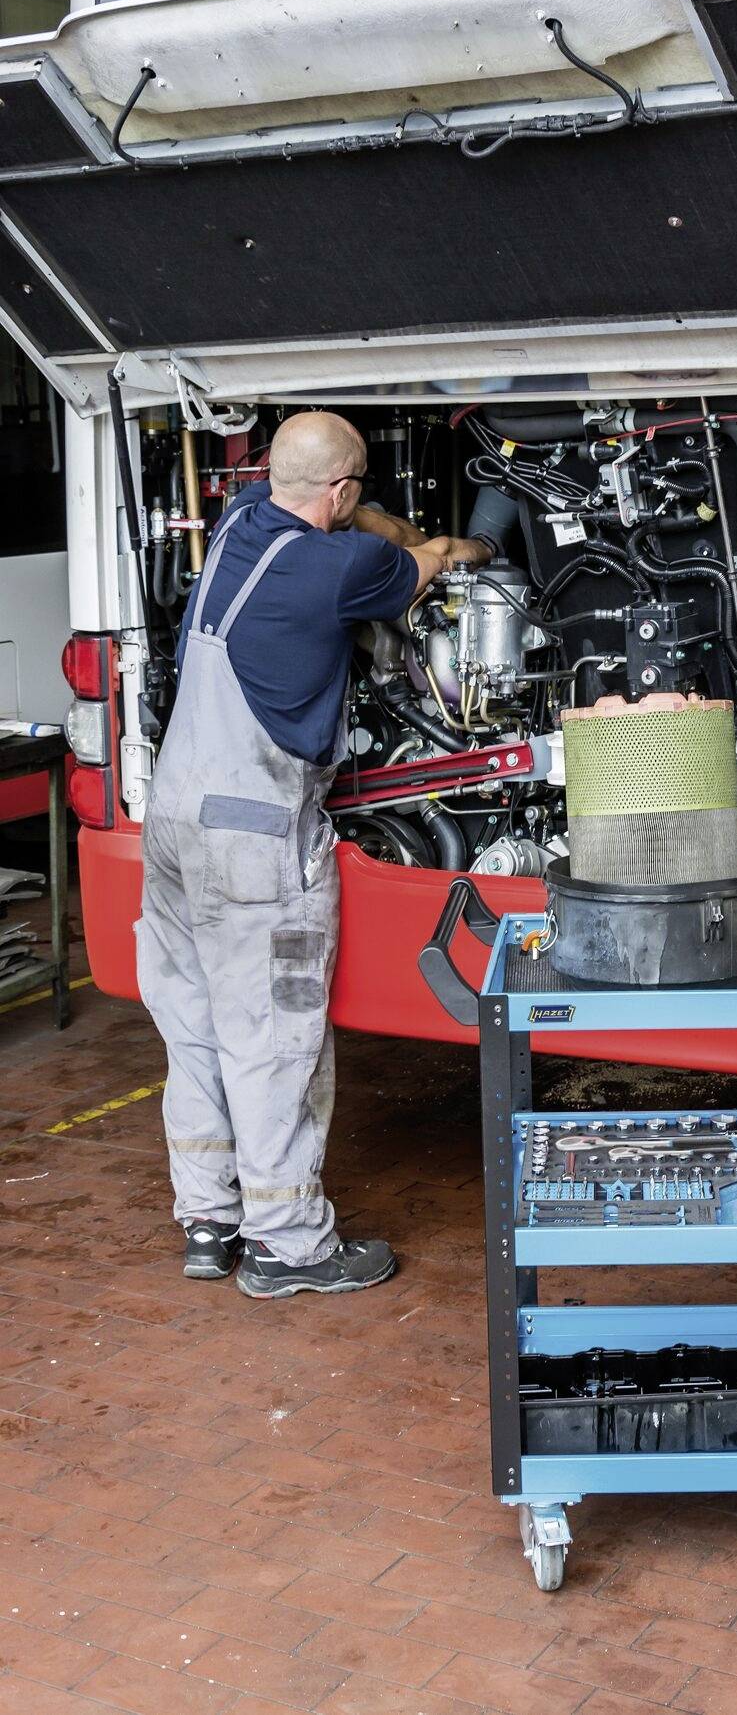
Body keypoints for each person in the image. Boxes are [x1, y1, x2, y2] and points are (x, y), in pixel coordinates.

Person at [137, 410, 493, 1297]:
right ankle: (288, 1245)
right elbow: (424, 560)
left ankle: (209, 1220)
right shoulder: (347, 568)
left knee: (196, 1027)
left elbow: (339, 514)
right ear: (340, 492)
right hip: (255, 843)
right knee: (275, 1038)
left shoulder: (239, 523)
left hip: (173, 824)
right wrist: (465, 546)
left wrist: (353, 508)